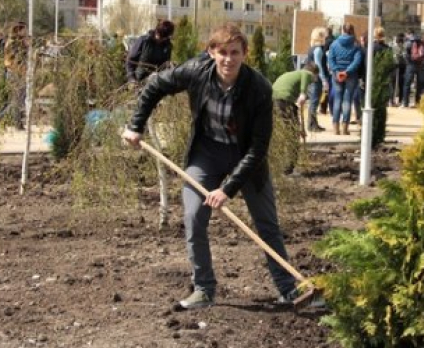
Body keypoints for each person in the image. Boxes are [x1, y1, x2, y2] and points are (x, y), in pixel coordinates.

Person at [121, 24, 301, 310]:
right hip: (207, 151)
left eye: (235, 53)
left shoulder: (259, 89)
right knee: (193, 216)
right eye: (222, 52)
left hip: (246, 158)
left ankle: (289, 289)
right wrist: (135, 125)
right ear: (211, 52)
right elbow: (155, 85)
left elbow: (257, 149)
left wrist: (227, 189)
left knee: (267, 223)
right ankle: (204, 288)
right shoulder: (196, 71)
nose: (228, 59)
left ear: (245, 54)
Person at [273, 61, 318, 173]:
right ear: (314, 73)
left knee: (284, 131)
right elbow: (305, 76)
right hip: (283, 101)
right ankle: (289, 167)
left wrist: (300, 128)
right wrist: (303, 93)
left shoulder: (291, 74)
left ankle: (280, 164)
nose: (312, 82)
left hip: (274, 101)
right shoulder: (306, 74)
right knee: (292, 134)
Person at [327, 23, 363, 135]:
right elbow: (357, 61)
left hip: (336, 75)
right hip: (351, 75)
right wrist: (347, 72)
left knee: (337, 99)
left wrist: (337, 71)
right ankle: (345, 128)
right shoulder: (356, 45)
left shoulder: (334, 44)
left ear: (342, 30)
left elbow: (331, 59)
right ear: (352, 30)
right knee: (347, 100)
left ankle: (335, 128)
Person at [126, 19, 175, 84]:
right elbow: (130, 61)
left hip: (157, 82)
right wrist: (131, 78)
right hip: (140, 80)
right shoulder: (144, 41)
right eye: (159, 36)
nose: (159, 39)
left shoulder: (167, 46)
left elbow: (165, 65)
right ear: (156, 31)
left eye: (163, 38)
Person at [305, 27, 329, 133]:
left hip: (310, 77)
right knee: (314, 102)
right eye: (324, 35)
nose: (326, 37)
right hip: (316, 79)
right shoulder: (318, 49)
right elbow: (319, 65)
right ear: (321, 37)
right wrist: (324, 80)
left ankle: (313, 124)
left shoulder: (312, 48)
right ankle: (312, 125)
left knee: (313, 102)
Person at [402, 29, 424, 107]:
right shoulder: (422, 42)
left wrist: (408, 62)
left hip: (411, 64)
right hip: (420, 65)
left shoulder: (410, 42)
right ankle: (417, 102)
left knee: (407, 84)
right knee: (419, 84)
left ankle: (405, 103)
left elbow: (406, 53)